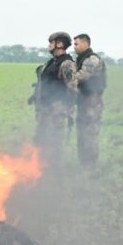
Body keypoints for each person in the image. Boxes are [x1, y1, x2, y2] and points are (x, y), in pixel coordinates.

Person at [30, 31, 77, 163]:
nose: (49, 45)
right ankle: (40, 165)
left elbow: (72, 88)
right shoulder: (51, 63)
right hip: (45, 108)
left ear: (60, 44)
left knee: (54, 140)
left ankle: (54, 167)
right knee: (42, 137)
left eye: (51, 42)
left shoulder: (67, 64)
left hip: (57, 109)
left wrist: (66, 108)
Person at [73, 33, 107, 168]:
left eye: (76, 44)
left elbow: (81, 76)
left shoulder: (92, 60)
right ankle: (83, 163)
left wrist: (64, 79)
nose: (74, 47)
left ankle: (90, 164)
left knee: (89, 133)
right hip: (83, 100)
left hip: (92, 101)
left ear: (85, 44)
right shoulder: (81, 59)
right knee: (81, 132)